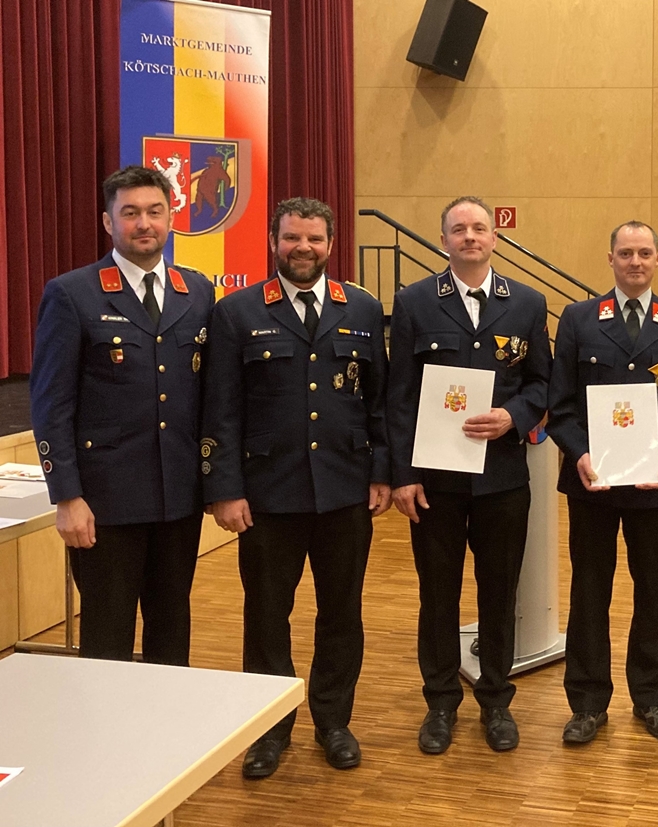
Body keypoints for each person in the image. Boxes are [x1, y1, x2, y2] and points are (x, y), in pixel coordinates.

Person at [203, 197, 391, 779]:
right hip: (267, 494)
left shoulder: (362, 307)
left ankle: (334, 722)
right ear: (273, 242)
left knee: (341, 614)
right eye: (291, 238)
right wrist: (225, 488)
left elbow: (378, 402)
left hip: (344, 490)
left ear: (330, 244)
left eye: (313, 239)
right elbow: (220, 410)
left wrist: (382, 472)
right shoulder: (236, 312)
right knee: (266, 617)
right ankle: (269, 729)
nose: (302, 248)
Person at [30, 165, 214, 665]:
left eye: (155, 211)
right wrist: (67, 496)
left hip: (178, 499)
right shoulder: (73, 293)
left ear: (171, 217)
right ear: (109, 222)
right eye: (130, 213)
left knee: (171, 631)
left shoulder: (197, 292)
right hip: (104, 503)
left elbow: (206, 398)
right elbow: (51, 404)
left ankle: (170, 719)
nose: (144, 223)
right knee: (107, 639)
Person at [388, 196, 551, 755]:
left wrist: (514, 416)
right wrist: (403, 475)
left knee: (499, 594)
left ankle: (496, 700)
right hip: (435, 483)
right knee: (438, 594)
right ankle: (440, 702)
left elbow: (542, 382)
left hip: (502, 479)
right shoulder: (413, 302)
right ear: (444, 241)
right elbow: (399, 396)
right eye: (458, 229)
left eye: (479, 228)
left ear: (494, 238)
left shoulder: (527, 303)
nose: (470, 237)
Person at [546, 221, 658, 744]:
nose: (635, 262)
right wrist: (579, 453)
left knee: (654, 591)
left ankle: (653, 698)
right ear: (610, 259)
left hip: (654, 485)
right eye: (625, 253)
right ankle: (587, 704)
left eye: (644, 253)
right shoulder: (579, 318)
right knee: (589, 591)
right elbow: (560, 406)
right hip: (591, 482)